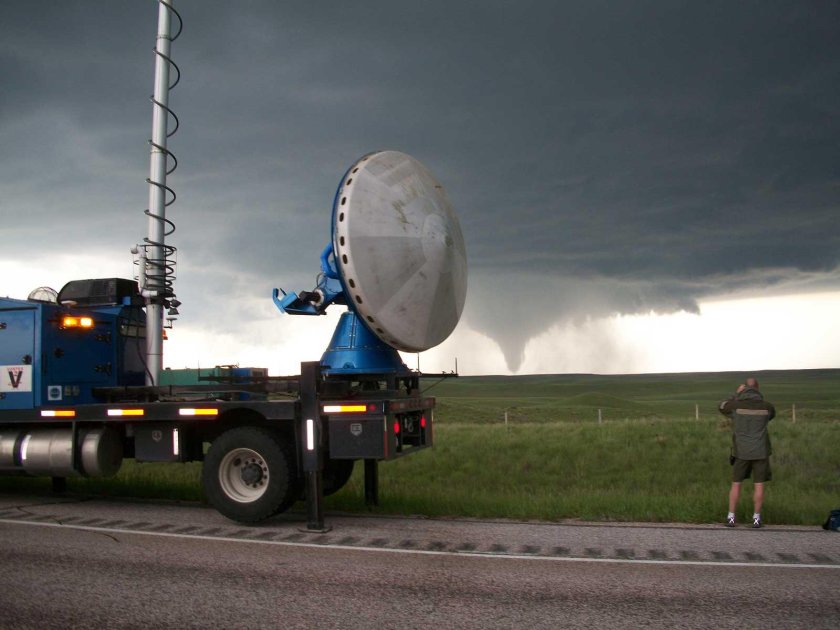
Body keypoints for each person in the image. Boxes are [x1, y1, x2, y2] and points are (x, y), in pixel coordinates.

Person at [718, 377, 775, 528]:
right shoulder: (768, 407)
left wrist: (735, 395)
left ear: (744, 389)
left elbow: (722, 406)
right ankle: (756, 519)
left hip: (741, 452)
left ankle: (731, 518)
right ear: (758, 388)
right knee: (759, 485)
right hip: (761, 451)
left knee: (736, 484)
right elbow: (771, 416)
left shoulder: (736, 405)